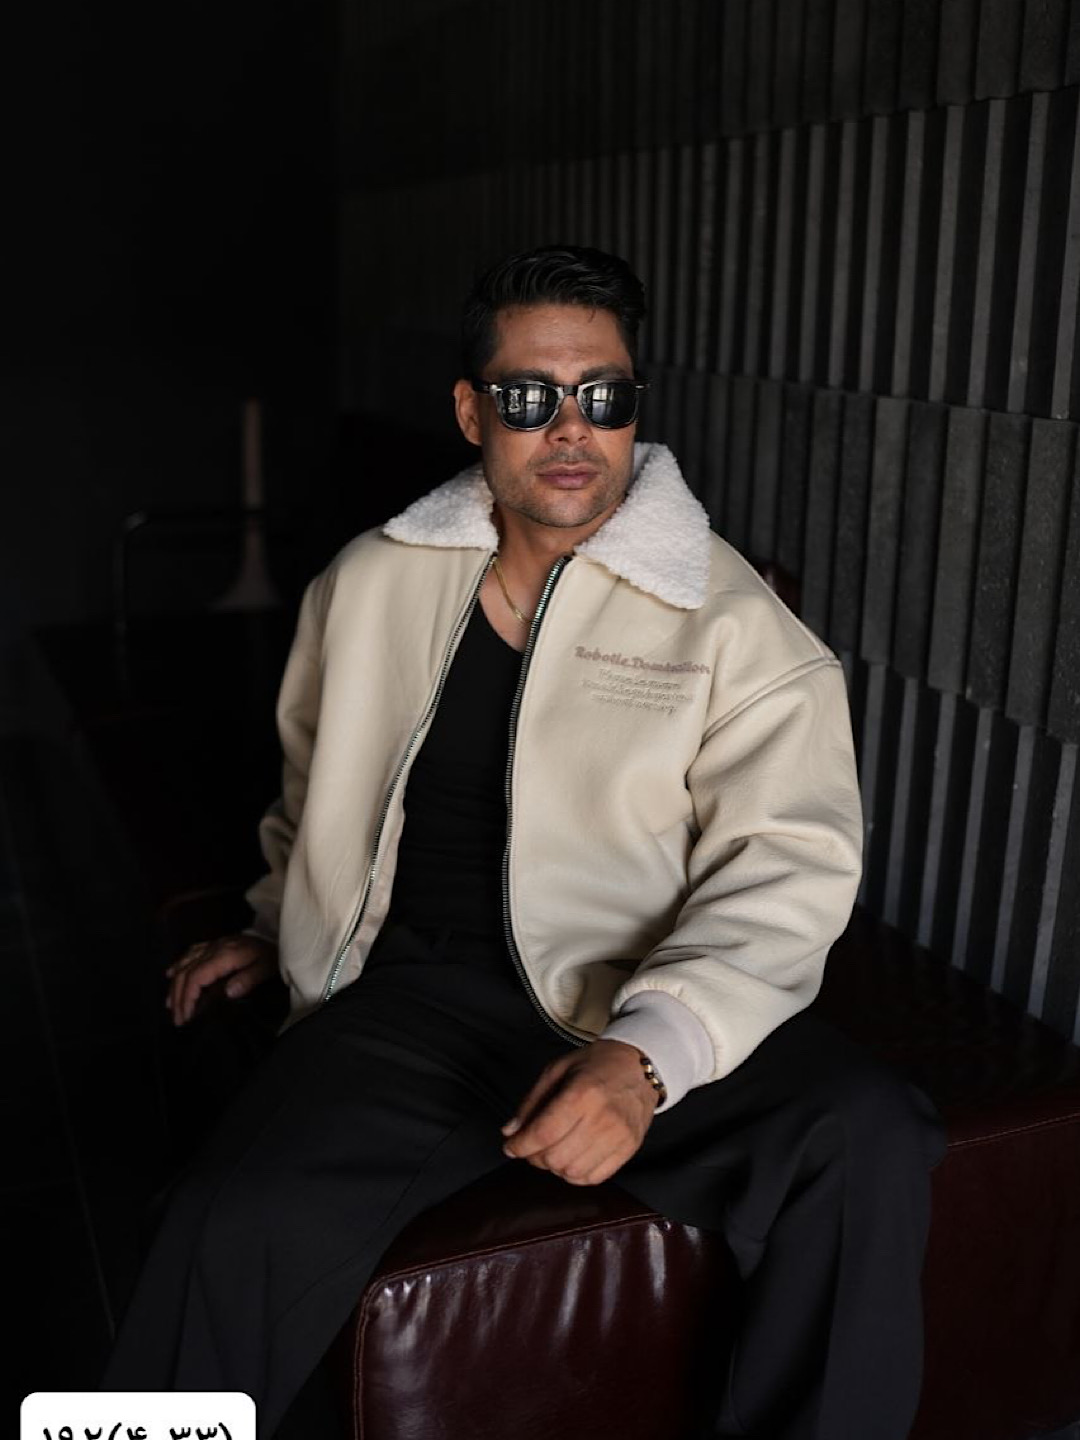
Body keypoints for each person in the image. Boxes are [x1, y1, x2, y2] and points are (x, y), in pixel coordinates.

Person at [102, 245, 944, 1439]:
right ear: (471, 411)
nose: (572, 428)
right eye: (529, 396)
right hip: (409, 1003)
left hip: (631, 988)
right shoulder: (370, 583)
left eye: (604, 394)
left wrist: (646, 1059)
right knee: (221, 1226)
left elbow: (787, 869)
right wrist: (273, 916)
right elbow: (314, 786)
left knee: (868, 1134)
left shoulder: (730, 620)